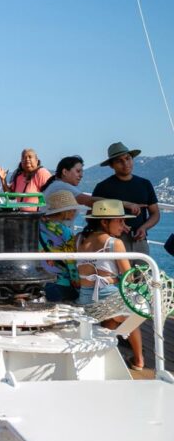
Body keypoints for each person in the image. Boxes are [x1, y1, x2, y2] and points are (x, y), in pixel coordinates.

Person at [75, 199, 144, 370]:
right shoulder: (114, 243)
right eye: (119, 220)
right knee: (134, 314)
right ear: (104, 222)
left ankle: (106, 346)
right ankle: (139, 360)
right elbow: (128, 278)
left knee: (112, 317)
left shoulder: (78, 239)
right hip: (110, 299)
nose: (123, 225)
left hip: (85, 300)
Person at [92, 142, 159, 257]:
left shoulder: (145, 184)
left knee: (142, 274)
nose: (125, 163)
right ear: (111, 165)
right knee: (119, 274)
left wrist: (144, 227)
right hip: (113, 241)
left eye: (128, 158)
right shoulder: (103, 187)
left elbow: (155, 213)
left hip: (140, 241)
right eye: (119, 161)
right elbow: (92, 216)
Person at [39, 191, 88, 302]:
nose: (75, 212)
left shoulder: (38, 225)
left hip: (41, 280)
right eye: (73, 209)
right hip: (61, 283)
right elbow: (71, 261)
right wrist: (78, 286)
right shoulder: (64, 231)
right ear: (64, 211)